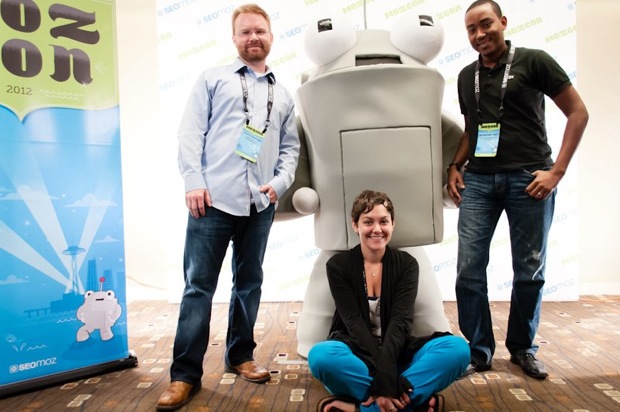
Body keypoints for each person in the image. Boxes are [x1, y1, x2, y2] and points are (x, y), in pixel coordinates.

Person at [156, 4, 300, 410]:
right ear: (234, 39)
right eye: (245, 32)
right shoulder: (212, 78)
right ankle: (184, 376)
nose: (253, 38)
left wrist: (279, 183)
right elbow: (190, 133)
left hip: (259, 204)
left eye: (260, 31)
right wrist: (193, 181)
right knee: (198, 288)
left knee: (249, 284)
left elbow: (291, 148)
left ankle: (240, 355)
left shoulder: (282, 94)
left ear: (271, 36)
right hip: (212, 201)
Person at [446, 0, 588, 380]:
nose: (479, 34)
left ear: (503, 22)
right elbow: (473, 129)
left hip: (529, 180)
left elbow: (578, 112)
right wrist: (455, 166)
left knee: (529, 270)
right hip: (479, 181)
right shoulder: (466, 76)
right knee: (468, 269)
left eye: (486, 24)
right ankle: (479, 351)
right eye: (471, 29)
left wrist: (556, 172)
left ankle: (522, 348)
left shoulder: (534, 61)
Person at [308, 190, 469, 412]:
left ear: (393, 224)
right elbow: (353, 323)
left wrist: (388, 371)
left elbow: (400, 321)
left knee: (458, 349)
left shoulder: (407, 264)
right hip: (357, 353)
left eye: (383, 221)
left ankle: (363, 408)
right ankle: (409, 401)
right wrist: (386, 378)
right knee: (320, 356)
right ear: (355, 225)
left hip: (398, 351)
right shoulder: (338, 266)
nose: (377, 229)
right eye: (368, 222)